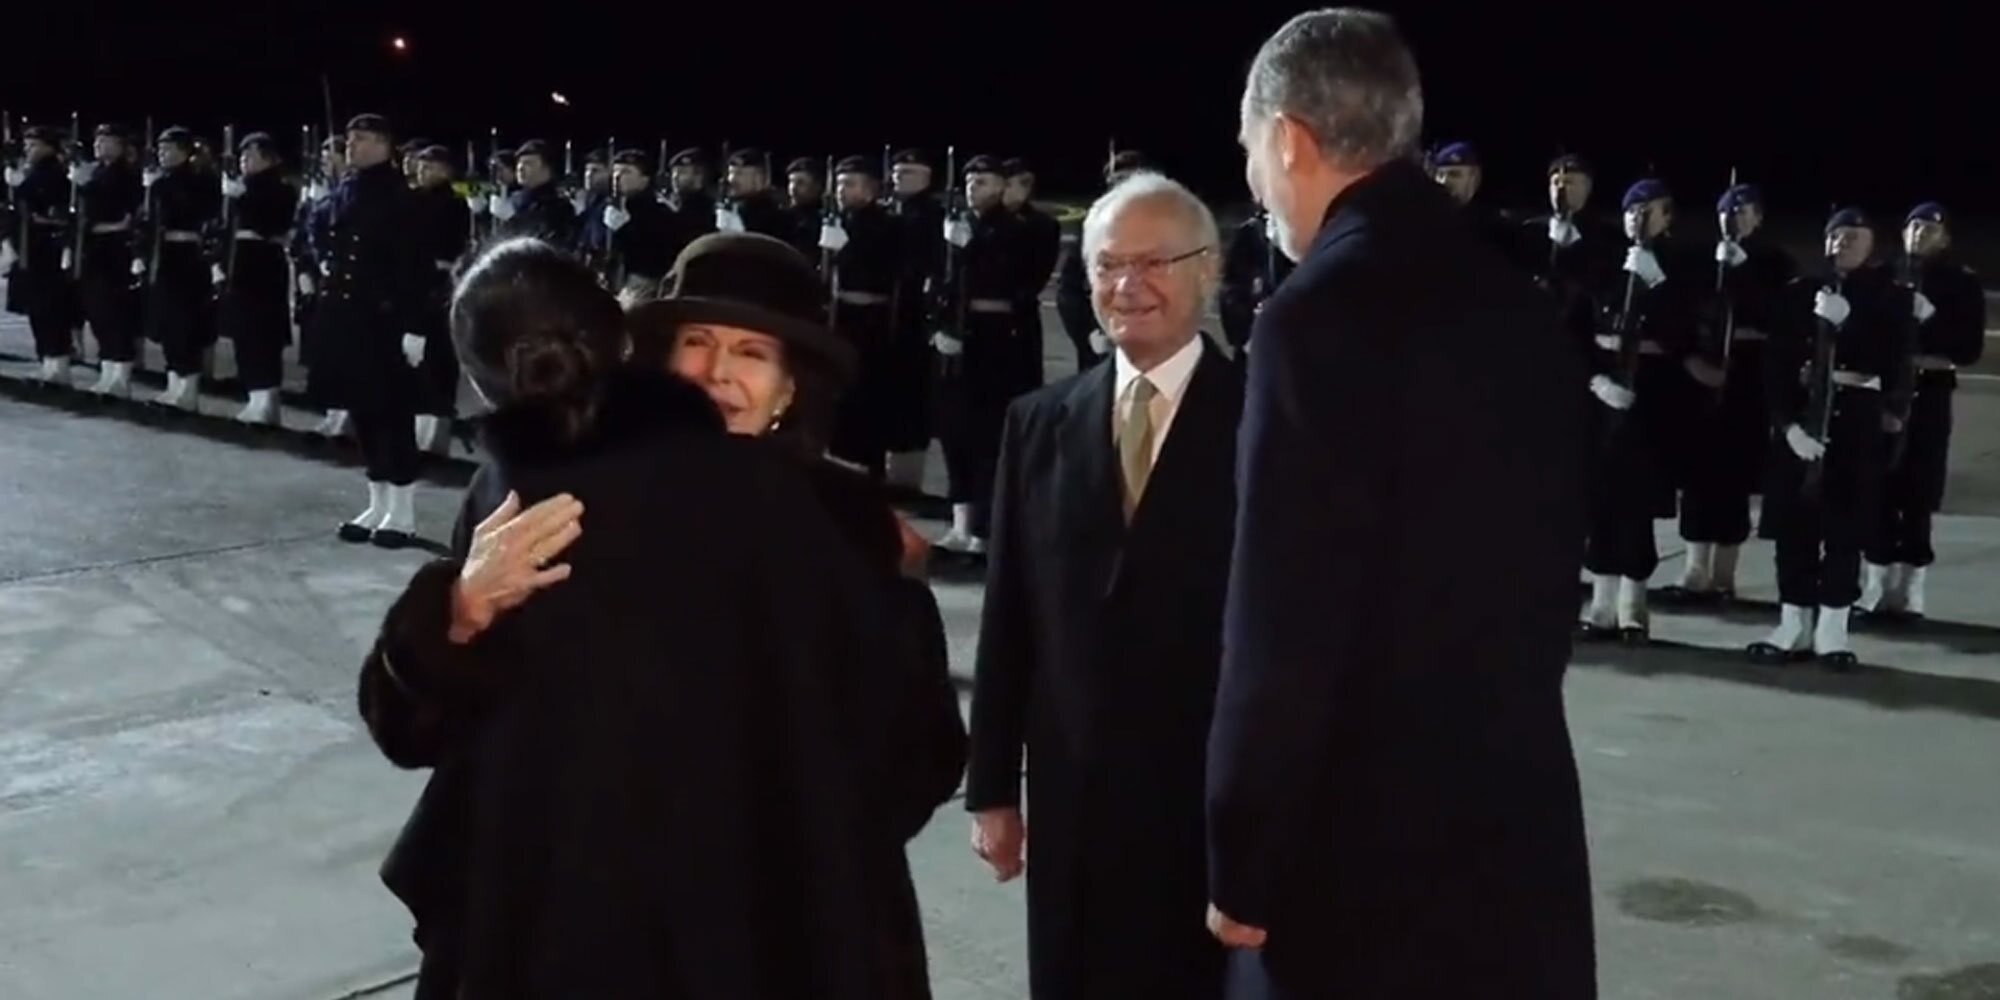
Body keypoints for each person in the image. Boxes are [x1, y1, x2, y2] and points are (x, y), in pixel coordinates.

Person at [359, 237, 917, 998]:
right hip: (549, 912)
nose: (719, 372)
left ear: (792, 386)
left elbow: (913, 750)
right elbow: (424, 730)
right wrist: (455, 609)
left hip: (762, 926)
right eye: (697, 343)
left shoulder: (844, 522)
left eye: (752, 353)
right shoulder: (527, 487)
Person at [1207, 10, 1596, 998]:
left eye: (1250, 149)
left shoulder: (1315, 317)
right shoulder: (1511, 298)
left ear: (1288, 139)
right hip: (1513, 812)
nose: (1252, 181)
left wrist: (1239, 845)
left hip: (1360, 853)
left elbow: (1281, 624)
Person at [967, 170, 1244, 999]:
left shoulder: (1270, 419)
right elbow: (1009, 617)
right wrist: (991, 791)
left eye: (1156, 262)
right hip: (1074, 801)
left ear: (1209, 271)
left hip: (1210, 807)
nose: (1129, 287)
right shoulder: (1038, 421)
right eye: (1108, 265)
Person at [1747, 208, 1914, 668]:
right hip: (1803, 421)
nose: (1845, 244)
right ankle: (1793, 624)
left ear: (1871, 245)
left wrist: (1849, 324)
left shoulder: (1890, 297)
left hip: (1855, 422)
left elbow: (1894, 360)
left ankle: (1832, 630)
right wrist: (1789, 427)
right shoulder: (1797, 294)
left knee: (1845, 529)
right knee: (1793, 530)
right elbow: (1776, 365)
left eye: (1855, 237)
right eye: (1838, 236)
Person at [1860, 202, 1984, 621]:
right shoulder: (1881, 276)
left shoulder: (1960, 284)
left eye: (1931, 228)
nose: (1920, 234)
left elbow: (1967, 349)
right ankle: (1875, 584)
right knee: (1877, 487)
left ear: (1945, 238)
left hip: (1929, 396)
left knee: (1919, 488)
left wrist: (1930, 321)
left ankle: (1911, 589)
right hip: (1882, 393)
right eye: (1914, 225)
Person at [312, 114, 429, 547]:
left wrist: (414, 326)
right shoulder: (346, 188)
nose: (351, 145)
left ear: (384, 144)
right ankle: (377, 500)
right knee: (362, 409)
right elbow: (322, 232)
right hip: (347, 314)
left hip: (385, 318)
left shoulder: (401, 197)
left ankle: (403, 510)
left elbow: (414, 267)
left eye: (360, 139)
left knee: (391, 412)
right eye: (349, 139)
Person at [218, 132, 297, 426]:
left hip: (263, 266)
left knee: (263, 335)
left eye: (251, 156)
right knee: (243, 335)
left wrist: (243, 199)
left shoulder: (281, 189)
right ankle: (254, 396)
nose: (244, 162)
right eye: (243, 157)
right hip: (239, 265)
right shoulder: (241, 188)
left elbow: (270, 225)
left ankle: (267, 400)